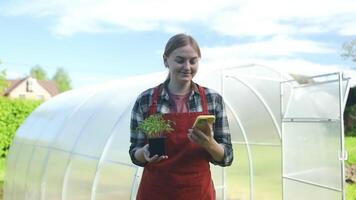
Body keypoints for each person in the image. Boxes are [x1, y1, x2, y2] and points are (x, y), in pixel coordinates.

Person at [129, 33, 233, 200]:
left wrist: (210, 144)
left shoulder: (213, 100)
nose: (187, 66)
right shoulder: (145, 100)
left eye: (193, 61)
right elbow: (134, 151)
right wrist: (145, 153)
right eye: (180, 60)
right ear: (165, 60)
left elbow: (227, 157)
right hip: (156, 192)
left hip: (198, 192)